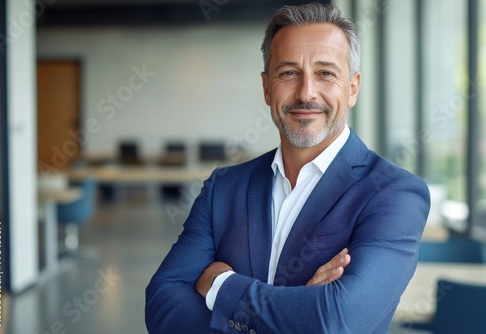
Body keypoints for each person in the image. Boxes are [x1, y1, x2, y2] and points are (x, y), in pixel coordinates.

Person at [145, 3, 430, 333]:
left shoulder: (394, 193)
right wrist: (295, 310)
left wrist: (220, 283)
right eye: (289, 73)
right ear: (267, 88)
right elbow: (162, 307)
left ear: (352, 87)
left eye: (325, 73)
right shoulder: (224, 188)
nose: (306, 93)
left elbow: (336, 318)